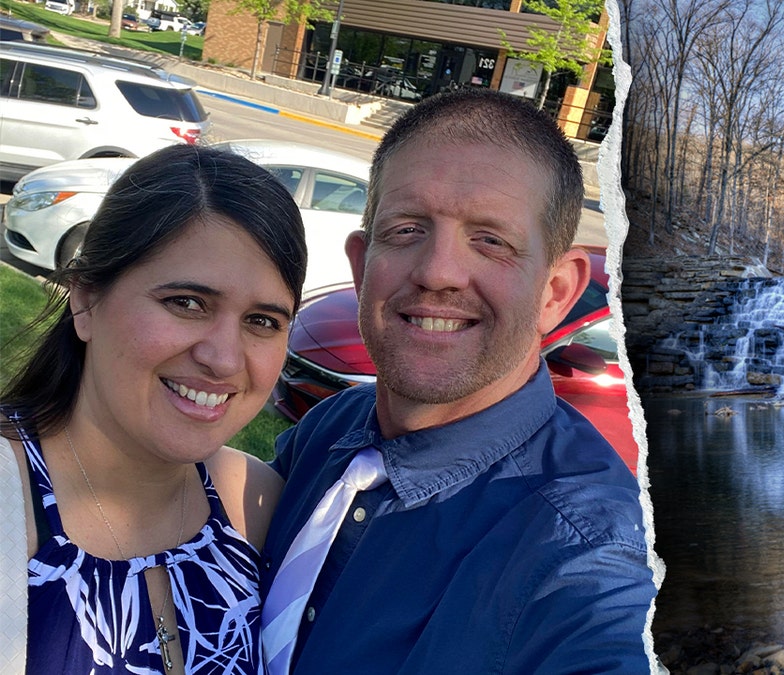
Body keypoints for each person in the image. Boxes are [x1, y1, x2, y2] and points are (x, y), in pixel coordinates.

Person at [260, 88, 656, 674]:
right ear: (360, 266)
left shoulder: (583, 551)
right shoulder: (329, 430)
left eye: (490, 240)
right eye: (407, 230)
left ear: (555, 293)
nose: (438, 272)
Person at [1, 144, 308, 674]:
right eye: (186, 302)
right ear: (85, 298)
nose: (223, 358)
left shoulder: (255, 505)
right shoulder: (10, 497)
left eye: (262, 321)